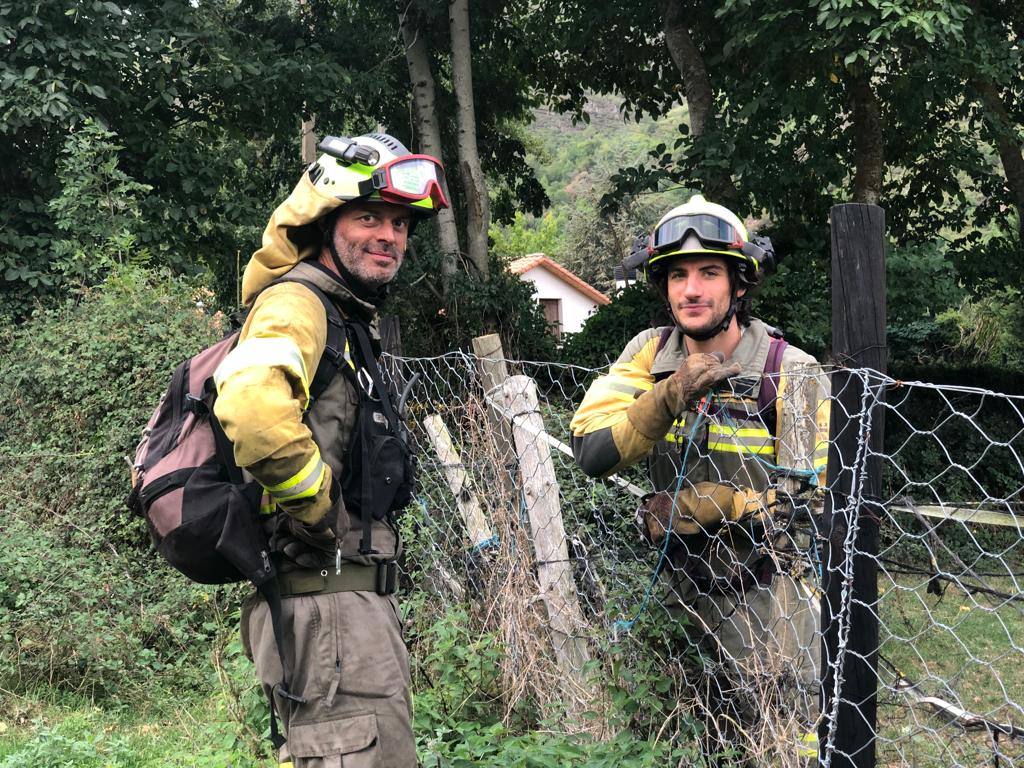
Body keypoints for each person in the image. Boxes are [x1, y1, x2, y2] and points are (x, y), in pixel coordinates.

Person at [212, 132, 448, 767]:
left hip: (345, 609)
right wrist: (317, 507)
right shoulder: (298, 301)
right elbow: (252, 408)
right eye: (368, 217)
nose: (388, 236)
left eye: (399, 224)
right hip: (328, 611)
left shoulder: (346, 315)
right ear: (323, 224)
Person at [569, 194, 829, 764]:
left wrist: (730, 504)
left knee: (778, 745)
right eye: (678, 275)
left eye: (709, 272)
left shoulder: (791, 371)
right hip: (676, 595)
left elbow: (817, 506)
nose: (691, 290)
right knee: (679, 741)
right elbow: (590, 450)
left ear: (739, 284)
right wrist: (667, 395)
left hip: (768, 603)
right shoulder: (649, 353)